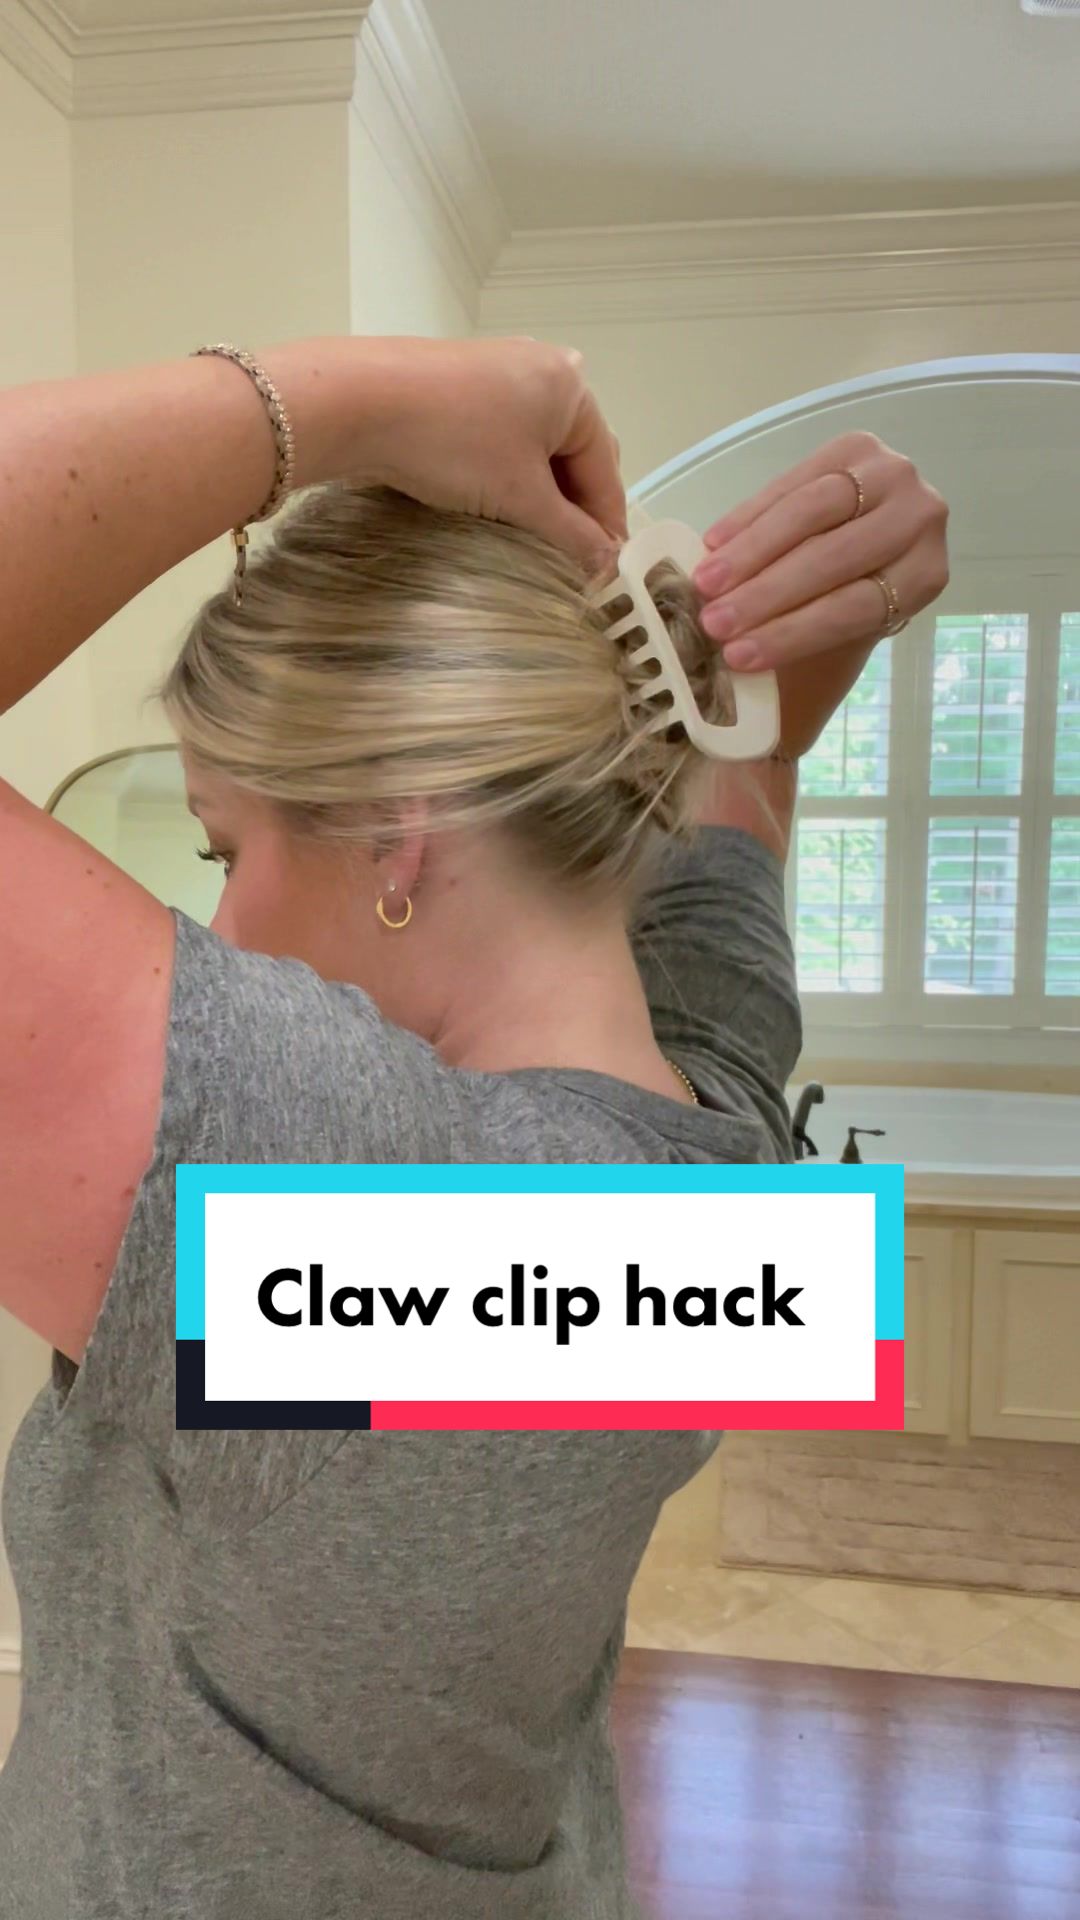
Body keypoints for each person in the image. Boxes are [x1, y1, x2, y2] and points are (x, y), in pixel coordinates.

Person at [0, 334, 948, 1919]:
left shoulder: (337, 1202)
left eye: (228, 849)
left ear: (398, 833)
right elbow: (744, 790)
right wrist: (786, 630)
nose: (219, 923)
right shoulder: (714, 1148)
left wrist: (336, 406)